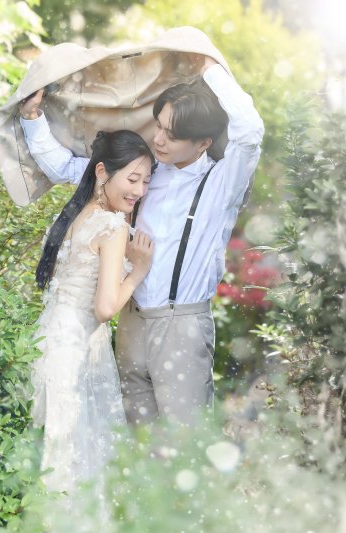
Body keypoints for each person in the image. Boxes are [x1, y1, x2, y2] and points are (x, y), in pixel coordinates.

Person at [19, 55, 265, 427]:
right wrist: (33, 120)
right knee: (136, 443)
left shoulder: (221, 184)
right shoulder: (145, 174)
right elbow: (74, 170)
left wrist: (209, 68)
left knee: (186, 443)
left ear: (203, 143)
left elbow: (250, 130)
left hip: (180, 324)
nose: (159, 139)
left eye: (172, 134)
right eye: (160, 126)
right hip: (131, 320)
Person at [25, 128, 156, 499]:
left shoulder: (72, 214)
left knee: (51, 451)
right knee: (74, 458)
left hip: (47, 339)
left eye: (146, 181)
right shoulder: (113, 225)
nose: (139, 191)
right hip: (77, 348)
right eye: (132, 179)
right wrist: (139, 271)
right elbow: (104, 309)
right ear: (102, 172)